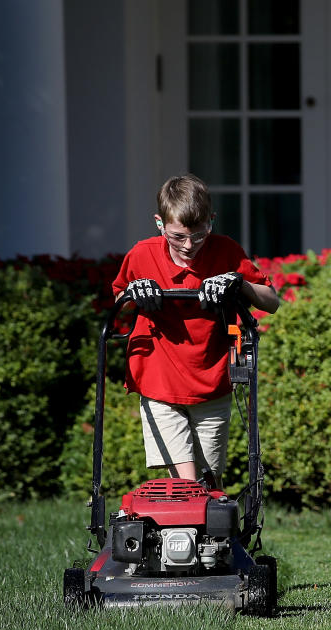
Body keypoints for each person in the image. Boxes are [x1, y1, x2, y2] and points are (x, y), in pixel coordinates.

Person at [112, 174, 279, 485]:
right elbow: (119, 299)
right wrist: (136, 290)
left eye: (199, 235)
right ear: (160, 223)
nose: (189, 246)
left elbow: (271, 302)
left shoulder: (225, 251)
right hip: (158, 382)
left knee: (209, 482)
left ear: (211, 221)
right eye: (178, 237)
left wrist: (239, 282)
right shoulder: (142, 254)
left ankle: (208, 534)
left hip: (213, 381)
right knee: (188, 486)